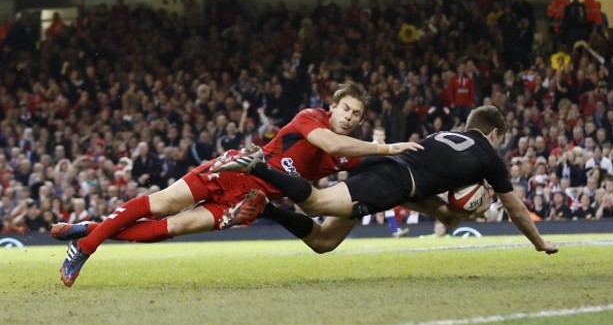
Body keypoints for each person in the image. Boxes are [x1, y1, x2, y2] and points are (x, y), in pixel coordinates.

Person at [56, 80, 425, 287]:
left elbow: (371, 171)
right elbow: (330, 144)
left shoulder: (351, 154)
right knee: (164, 203)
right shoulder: (310, 118)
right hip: (238, 169)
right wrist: (388, 146)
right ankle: (86, 245)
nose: (349, 117)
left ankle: (90, 228)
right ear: (333, 107)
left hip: (248, 199)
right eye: (346, 109)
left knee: (167, 229)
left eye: (356, 115)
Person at [214, 105, 559, 256]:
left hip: (387, 174)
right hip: (388, 177)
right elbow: (515, 210)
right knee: (316, 202)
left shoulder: (444, 136)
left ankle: (266, 209)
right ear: (494, 133)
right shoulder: (488, 157)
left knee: (323, 243)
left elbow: (413, 186)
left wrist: (440, 209)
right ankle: (256, 167)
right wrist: (539, 243)